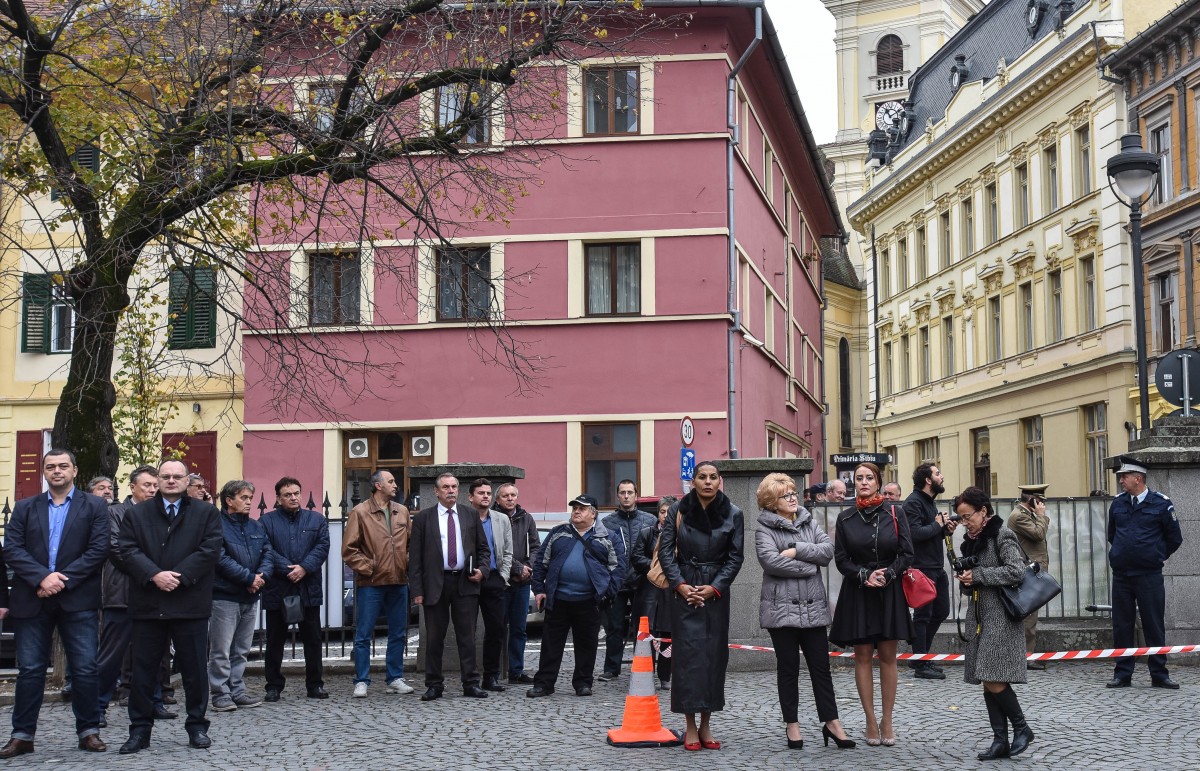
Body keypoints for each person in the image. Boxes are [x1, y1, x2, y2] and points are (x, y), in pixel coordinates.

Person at [1, 449, 110, 758]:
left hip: (77, 598)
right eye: (51, 467)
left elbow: (98, 549)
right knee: (31, 670)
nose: (57, 471)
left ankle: (88, 732)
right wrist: (41, 578)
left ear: (75, 471)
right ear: (44, 472)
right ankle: (22, 736)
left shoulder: (95, 507)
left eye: (63, 466)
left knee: (86, 668)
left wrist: (60, 579)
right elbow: (13, 549)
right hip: (32, 598)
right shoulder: (24, 508)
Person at [115, 459, 222, 754]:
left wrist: (181, 576)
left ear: (188, 481)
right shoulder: (137, 514)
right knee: (143, 671)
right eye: (165, 476)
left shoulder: (206, 513)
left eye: (177, 476)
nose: (171, 481)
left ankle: (197, 726)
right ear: (157, 480)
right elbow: (127, 549)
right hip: (149, 602)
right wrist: (154, 574)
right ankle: (139, 731)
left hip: (189, 602)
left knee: (194, 671)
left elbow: (210, 548)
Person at [754, 473, 854, 751]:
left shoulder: (808, 521)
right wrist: (809, 566)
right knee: (788, 670)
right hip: (781, 610)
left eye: (794, 493)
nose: (793, 498)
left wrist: (796, 549)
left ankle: (832, 723)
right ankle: (792, 725)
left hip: (812, 608)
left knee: (821, 669)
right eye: (786, 495)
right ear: (773, 502)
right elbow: (770, 562)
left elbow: (826, 552)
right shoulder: (764, 528)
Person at [658, 462, 745, 751]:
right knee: (687, 659)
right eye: (701, 477)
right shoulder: (678, 511)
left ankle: (707, 722)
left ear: (719, 481)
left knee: (713, 657)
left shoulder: (734, 513)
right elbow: (666, 552)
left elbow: (735, 557)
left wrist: (714, 588)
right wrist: (681, 586)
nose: (707, 482)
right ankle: (690, 725)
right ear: (693, 480)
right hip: (684, 587)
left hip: (715, 591)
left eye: (712, 477)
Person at [829, 461, 913, 747]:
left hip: (889, 591)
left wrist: (888, 573)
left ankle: (887, 719)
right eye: (859, 478)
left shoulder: (896, 512)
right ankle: (869, 719)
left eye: (869, 478)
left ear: (878, 482)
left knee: (889, 657)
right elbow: (841, 559)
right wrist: (864, 575)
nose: (864, 482)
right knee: (862, 656)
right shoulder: (846, 518)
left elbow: (906, 553)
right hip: (859, 591)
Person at [953, 486, 1036, 760]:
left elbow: (1016, 571)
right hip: (980, 617)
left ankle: (1022, 728)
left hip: (1002, 616)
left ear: (983, 511)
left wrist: (978, 575)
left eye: (968, 517)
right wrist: (967, 580)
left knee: (991, 674)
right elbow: (975, 580)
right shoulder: (971, 541)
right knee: (988, 679)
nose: (965, 523)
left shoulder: (1003, 534)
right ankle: (1000, 740)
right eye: (961, 518)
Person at [97, 466, 175, 724]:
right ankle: (97, 707)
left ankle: (154, 702)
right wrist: (152, 572)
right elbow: (117, 550)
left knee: (151, 653)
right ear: (132, 487)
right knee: (111, 656)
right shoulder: (115, 513)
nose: (153, 490)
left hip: (153, 595)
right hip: (122, 594)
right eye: (147, 486)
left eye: (155, 485)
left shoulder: (162, 515)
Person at [527, 495, 623, 698]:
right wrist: (540, 590)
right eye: (575, 508)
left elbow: (618, 569)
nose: (576, 511)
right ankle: (544, 684)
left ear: (593, 513)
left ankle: (583, 683)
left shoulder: (607, 537)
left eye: (582, 508)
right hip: (558, 598)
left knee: (587, 644)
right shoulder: (558, 533)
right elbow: (541, 563)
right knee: (551, 644)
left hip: (589, 600)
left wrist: (607, 594)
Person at [408, 473, 491, 701]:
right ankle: (434, 684)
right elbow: (415, 559)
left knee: (467, 636)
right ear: (436, 491)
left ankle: (470, 683)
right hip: (435, 583)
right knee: (434, 638)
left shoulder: (470, 515)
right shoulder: (424, 518)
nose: (451, 490)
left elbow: (484, 549)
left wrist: (483, 570)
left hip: (465, 582)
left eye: (454, 486)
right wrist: (417, 591)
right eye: (446, 487)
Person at [1106, 458, 1183, 690]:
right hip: (1122, 575)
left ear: (1138, 478)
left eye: (1124, 476)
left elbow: (1174, 538)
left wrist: (1155, 555)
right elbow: (1112, 534)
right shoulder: (1118, 504)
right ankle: (1123, 673)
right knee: (1122, 625)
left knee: (1153, 624)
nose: (1120, 480)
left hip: (1149, 574)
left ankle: (1159, 673)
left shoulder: (1161, 504)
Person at [343, 469, 414, 698]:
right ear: (377, 485)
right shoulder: (360, 512)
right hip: (371, 582)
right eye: (391, 481)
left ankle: (395, 677)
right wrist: (370, 567)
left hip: (399, 580)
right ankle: (361, 680)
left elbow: (411, 544)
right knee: (364, 634)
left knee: (398, 633)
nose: (396, 485)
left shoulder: (401, 511)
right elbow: (349, 550)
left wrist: (406, 563)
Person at [260, 477, 331, 701]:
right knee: (275, 641)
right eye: (288, 494)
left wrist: (304, 568)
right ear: (278, 498)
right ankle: (273, 686)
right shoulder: (266, 521)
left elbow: (322, 546)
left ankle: (315, 685)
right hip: (278, 587)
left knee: (312, 639)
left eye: (296, 493)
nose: (293, 497)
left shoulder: (316, 519)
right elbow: (265, 549)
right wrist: (288, 569)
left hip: (307, 586)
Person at [208, 480, 272, 712]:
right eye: (244, 498)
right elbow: (220, 558)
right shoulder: (216, 524)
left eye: (250, 498)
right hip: (225, 595)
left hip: (250, 596)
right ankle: (220, 693)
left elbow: (268, 553)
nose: (248, 502)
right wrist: (249, 578)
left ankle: (237, 689)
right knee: (221, 650)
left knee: (241, 649)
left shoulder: (256, 527)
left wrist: (261, 577)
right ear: (229, 500)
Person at [598, 479, 655, 681]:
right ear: (618, 495)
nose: (626, 496)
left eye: (630, 492)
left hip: (643, 580)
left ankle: (647, 665)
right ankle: (612, 669)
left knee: (646, 627)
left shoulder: (650, 520)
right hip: (618, 582)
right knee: (614, 627)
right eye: (622, 492)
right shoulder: (607, 523)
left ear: (636, 495)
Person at [903, 463, 954, 680]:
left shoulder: (929, 502)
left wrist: (944, 529)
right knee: (923, 616)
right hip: (922, 568)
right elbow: (913, 534)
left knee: (941, 611)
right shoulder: (913, 503)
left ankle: (919, 653)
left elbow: (930, 532)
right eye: (937, 474)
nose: (941, 477)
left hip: (935, 567)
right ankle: (921, 662)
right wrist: (937, 524)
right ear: (927, 479)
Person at [467, 479, 513, 691]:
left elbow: (508, 551)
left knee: (495, 628)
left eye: (488, 493)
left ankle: (491, 676)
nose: (485, 496)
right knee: (467, 628)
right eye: (480, 493)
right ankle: (470, 678)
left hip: (494, 578)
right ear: (471, 497)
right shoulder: (463, 517)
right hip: (467, 579)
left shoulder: (501, 519)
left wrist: (503, 576)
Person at [494, 483, 540, 683]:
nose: (510, 499)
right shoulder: (493, 518)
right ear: (498, 500)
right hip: (501, 582)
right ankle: (494, 672)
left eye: (513, 495)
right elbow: (496, 548)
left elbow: (537, 546)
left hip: (523, 583)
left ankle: (516, 671)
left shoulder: (526, 518)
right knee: (497, 628)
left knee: (519, 629)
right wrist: (517, 568)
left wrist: (528, 567)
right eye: (505, 496)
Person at [631, 496, 677, 690]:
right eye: (662, 511)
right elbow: (636, 556)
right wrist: (654, 567)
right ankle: (645, 672)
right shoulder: (647, 533)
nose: (665, 515)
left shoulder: (681, 534)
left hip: (671, 590)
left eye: (669, 511)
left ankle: (665, 675)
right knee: (646, 632)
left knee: (668, 634)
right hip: (649, 588)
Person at [1007, 483, 1051, 670]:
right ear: (1031, 499)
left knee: (1030, 615)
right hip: (1028, 571)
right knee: (1028, 616)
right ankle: (1025, 657)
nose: (1042, 505)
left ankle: (1025, 655)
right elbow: (1038, 534)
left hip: (1033, 570)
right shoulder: (1019, 517)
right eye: (1039, 501)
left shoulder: (1026, 515)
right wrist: (1041, 516)